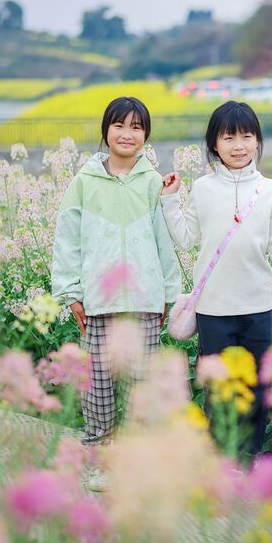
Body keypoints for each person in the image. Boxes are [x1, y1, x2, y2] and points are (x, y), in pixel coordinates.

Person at [160, 100, 272, 453]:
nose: (239, 146)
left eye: (247, 137)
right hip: (213, 310)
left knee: (256, 388)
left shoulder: (270, 191)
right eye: (228, 138)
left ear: (257, 141)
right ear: (214, 145)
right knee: (217, 389)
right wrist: (170, 201)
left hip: (257, 307)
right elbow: (187, 239)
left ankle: (248, 461)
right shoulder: (203, 189)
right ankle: (218, 460)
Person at [51, 96, 181, 445]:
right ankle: (100, 453)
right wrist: (70, 292)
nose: (127, 134)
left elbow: (164, 242)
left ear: (146, 135)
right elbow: (67, 238)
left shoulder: (153, 182)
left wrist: (169, 292)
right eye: (119, 125)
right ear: (106, 130)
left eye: (136, 128)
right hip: (99, 301)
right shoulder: (84, 181)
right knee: (98, 385)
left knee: (141, 385)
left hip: (144, 300)